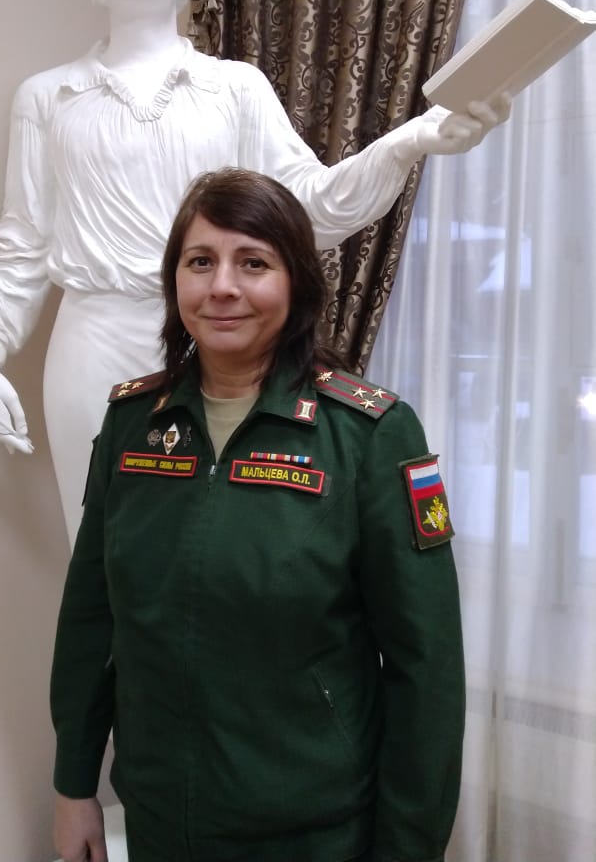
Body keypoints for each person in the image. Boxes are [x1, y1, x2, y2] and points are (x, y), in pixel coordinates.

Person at [0, 0, 510, 545]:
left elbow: (309, 208)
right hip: (92, 338)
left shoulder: (233, 89)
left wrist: (409, 142)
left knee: (217, 532)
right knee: (99, 536)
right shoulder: (48, 96)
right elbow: (24, 235)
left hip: (215, 332)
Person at [50, 168, 466, 862]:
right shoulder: (132, 423)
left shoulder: (369, 434)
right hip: (158, 819)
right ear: (174, 281)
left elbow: (427, 668)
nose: (222, 286)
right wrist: (73, 785)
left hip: (312, 833)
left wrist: (408, 848)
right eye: (200, 261)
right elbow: (91, 617)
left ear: (296, 281)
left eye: (253, 263)